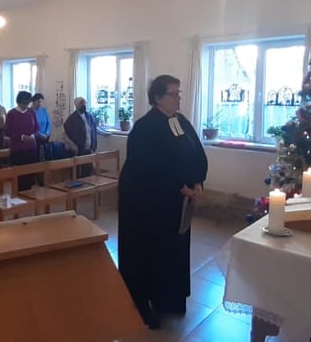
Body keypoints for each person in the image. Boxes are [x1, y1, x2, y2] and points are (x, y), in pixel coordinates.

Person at [117, 75, 208, 330]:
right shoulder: (145, 127)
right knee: (149, 253)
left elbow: (196, 152)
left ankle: (169, 299)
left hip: (176, 202)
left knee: (173, 250)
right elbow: (148, 167)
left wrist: (197, 181)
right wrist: (181, 187)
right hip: (147, 203)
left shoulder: (180, 121)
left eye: (179, 93)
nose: (179, 98)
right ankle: (142, 304)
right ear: (158, 98)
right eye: (173, 94)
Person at [4, 91, 40, 190]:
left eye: (27, 103)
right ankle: (19, 193)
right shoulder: (12, 113)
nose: (26, 106)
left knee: (30, 174)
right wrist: (21, 137)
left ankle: (28, 192)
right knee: (19, 176)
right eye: (24, 103)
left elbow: (37, 127)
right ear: (19, 102)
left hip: (31, 147)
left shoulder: (31, 112)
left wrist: (32, 135)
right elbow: (7, 131)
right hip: (18, 149)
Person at [64, 97, 98, 176]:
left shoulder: (89, 116)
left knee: (88, 169)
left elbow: (94, 128)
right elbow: (67, 132)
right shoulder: (72, 118)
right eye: (81, 104)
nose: (83, 105)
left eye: (84, 103)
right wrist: (73, 145)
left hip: (88, 149)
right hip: (78, 149)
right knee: (77, 171)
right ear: (76, 105)